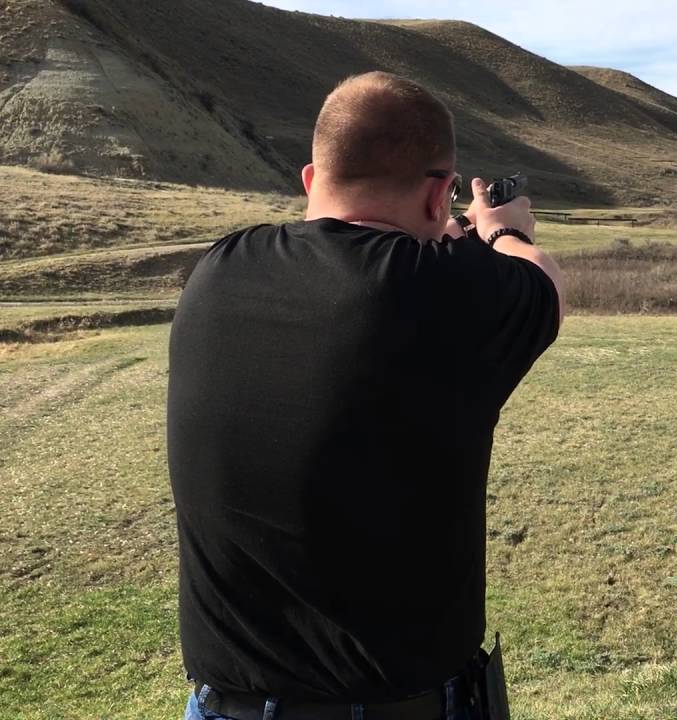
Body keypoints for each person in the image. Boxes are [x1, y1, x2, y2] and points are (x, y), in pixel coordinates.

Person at [167, 71, 563, 720]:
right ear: (440, 195)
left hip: (223, 705)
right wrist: (503, 230)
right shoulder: (441, 294)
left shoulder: (217, 270)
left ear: (310, 180)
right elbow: (545, 289)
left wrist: (444, 249)